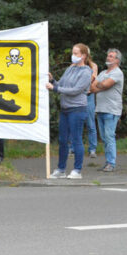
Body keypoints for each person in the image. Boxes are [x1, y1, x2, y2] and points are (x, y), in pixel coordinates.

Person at [47, 43, 93, 179]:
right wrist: (53, 80)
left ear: (83, 56)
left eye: (76, 53)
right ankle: (61, 169)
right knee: (62, 140)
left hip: (77, 109)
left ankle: (77, 170)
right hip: (65, 109)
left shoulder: (86, 72)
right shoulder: (70, 68)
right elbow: (61, 84)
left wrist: (54, 88)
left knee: (76, 139)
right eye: (73, 53)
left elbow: (75, 91)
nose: (73, 56)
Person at [90, 48, 124, 172]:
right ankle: (108, 162)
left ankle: (111, 163)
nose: (108, 58)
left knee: (109, 137)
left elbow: (104, 85)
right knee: (104, 138)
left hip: (112, 110)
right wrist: (101, 85)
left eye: (111, 56)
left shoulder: (117, 73)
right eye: (108, 56)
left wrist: (101, 84)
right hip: (100, 109)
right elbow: (93, 88)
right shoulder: (104, 72)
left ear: (117, 60)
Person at [83, 51, 98, 157]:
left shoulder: (93, 66)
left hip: (88, 97)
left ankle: (92, 149)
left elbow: (93, 79)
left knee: (91, 124)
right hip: (78, 97)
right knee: (75, 124)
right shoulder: (74, 66)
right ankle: (72, 148)